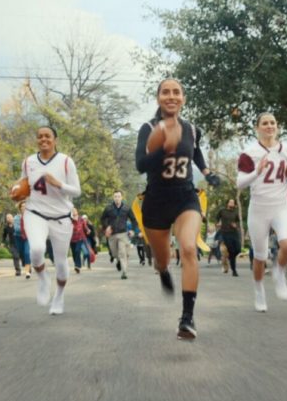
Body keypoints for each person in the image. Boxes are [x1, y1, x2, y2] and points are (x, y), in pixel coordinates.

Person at [135, 77, 221, 340]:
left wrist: (207, 172)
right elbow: (140, 165)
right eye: (165, 92)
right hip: (156, 200)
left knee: (188, 248)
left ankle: (187, 317)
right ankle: (162, 270)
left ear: (183, 98)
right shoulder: (148, 128)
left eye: (176, 92)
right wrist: (164, 147)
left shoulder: (192, 129)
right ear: (158, 97)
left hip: (185, 197)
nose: (171, 96)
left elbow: (195, 153)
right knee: (162, 259)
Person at [236, 112, 287, 312]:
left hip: (281, 205)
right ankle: (259, 291)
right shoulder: (249, 154)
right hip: (258, 208)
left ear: (277, 126)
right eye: (265, 123)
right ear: (257, 128)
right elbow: (240, 183)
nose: (269, 126)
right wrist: (257, 171)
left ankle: (280, 272)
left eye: (272, 122)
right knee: (260, 256)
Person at [20, 125, 81, 315]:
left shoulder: (65, 162)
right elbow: (22, 185)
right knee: (36, 249)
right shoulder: (28, 161)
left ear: (55, 139)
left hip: (61, 216)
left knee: (61, 262)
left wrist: (58, 184)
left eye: (47, 136)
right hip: (35, 212)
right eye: (39, 137)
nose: (43, 139)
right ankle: (43, 278)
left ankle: (59, 295)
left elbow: (77, 191)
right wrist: (16, 193)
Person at [100, 190, 138, 280]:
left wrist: (133, 230)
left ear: (122, 197)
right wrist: (106, 227)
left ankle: (124, 272)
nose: (117, 198)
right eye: (115, 196)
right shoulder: (108, 208)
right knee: (114, 254)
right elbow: (102, 219)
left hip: (123, 234)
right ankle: (118, 261)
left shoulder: (127, 208)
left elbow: (134, 220)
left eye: (118, 196)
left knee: (122, 253)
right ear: (113, 198)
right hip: (112, 235)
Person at [216, 199, 241, 276]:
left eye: (233, 202)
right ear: (227, 203)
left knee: (238, 249)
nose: (232, 203)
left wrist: (236, 225)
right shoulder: (222, 211)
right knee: (231, 251)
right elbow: (217, 218)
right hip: (225, 233)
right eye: (230, 202)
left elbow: (238, 221)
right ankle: (234, 270)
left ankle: (231, 258)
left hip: (234, 233)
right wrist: (218, 223)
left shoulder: (235, 212)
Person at [14, 202, 31, 279]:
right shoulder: (17, 218)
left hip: (27, 237)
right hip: (18, 238)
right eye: (22, 206)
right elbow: (17, 229)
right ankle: (27, 266)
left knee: (27, 253)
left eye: (25, 206)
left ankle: (27, 272)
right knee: (22, 254)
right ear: (20, 208)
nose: (24, 207)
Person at [70, 208, 88, 274]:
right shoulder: (70, 220)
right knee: (74, 253)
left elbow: (85, 226)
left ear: (77, 211)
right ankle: (76, 265)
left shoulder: (81, 219)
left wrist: (87, 230)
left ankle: (78, 265)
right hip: (72, 239)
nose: (74, 212)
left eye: (75, 210)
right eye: (72, 211)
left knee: (77, 251)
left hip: (80, 238)